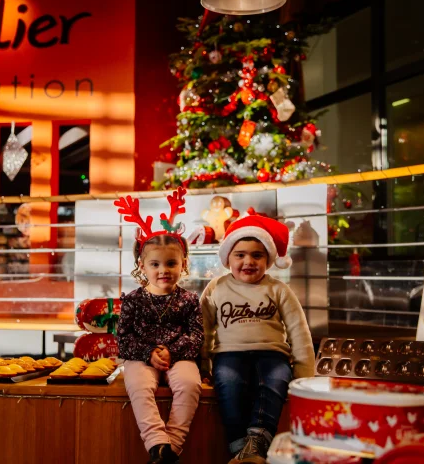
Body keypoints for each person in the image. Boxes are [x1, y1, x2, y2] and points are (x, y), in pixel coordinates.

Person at [200, 211, 315, 464]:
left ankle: (257, 443)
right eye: (240, 255)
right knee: (228, 383)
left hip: (272, 354)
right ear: (227, 258)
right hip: (228, 354)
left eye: (257, 255)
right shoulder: (216, 288)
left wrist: (304, 374)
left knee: (274, 381)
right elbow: (204, 329)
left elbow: (298, 330)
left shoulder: (278, 290)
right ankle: (240, 448)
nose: (248, 261)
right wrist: (203, 364)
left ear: (269, 260)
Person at [116, 188, 204, 464]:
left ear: (184, 264)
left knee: (190, 384)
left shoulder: (189, 300)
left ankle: (171, 448)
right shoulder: (132, 300)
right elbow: (124, 338)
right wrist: (148, 353)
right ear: (142, 266)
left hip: (179, 357)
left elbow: (196, 334)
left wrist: (172, 352)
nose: (163, 270)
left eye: (171, 263)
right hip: (141, 357)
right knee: (138, 385)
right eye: (155, 264)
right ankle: (156, 442)